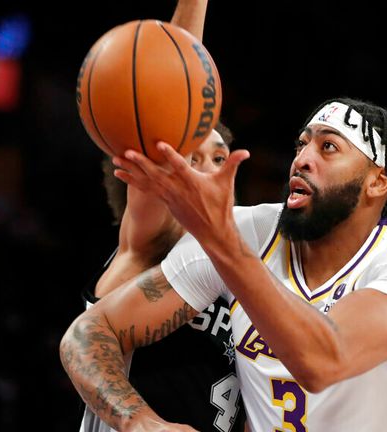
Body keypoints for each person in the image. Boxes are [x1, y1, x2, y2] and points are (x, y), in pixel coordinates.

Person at [61, 97, 387, 432]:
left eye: (328, 147)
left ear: (378, 181)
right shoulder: (248, 231)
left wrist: (224, 244)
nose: (302, 160)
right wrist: (140, 422)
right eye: (302, 144)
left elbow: (322, 362)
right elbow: (89, 332)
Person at [77, 2, 246, 430]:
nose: (206, 169)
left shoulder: (251, 273)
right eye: (190, 157)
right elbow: (164, 110)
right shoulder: (154, 245)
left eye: (218, 157)